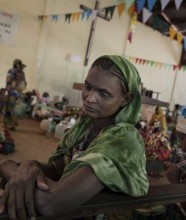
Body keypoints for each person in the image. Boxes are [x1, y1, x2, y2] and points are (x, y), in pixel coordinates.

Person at [0, 55, 148, 220]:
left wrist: (11, 172)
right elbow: (59, 168)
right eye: (88, 87)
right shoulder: (87, 126)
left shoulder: (123, 142)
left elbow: (49, 203)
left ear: (125, 99)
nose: (90, 98)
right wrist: (28, 166)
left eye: (104, 94)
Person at [3, 59, 27, 130]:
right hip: (19, 93)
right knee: (14, 108)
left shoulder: (11, 71)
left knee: (9, 108)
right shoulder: (22, 73)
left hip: (12, 93)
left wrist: (6, 90)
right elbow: (25, 83)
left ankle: (10, 124)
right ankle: (13, 123)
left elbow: (8, 81)